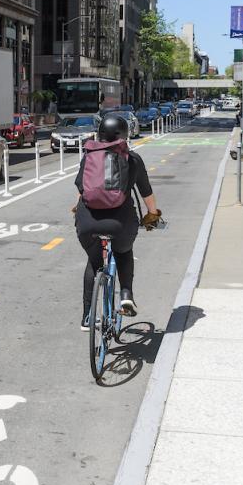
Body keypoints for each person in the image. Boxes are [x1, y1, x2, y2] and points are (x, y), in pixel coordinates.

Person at [73, 115, 162, 330]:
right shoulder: (133, 159)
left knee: (94, 262)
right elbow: (146, 193)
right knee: (123, 252)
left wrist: (78, 210)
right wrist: (153, 215)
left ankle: (87, 317)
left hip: (87, 222)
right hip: (120, 222)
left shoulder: (89, 157)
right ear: (125, 135)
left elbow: (82, 188)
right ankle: (126, 295)